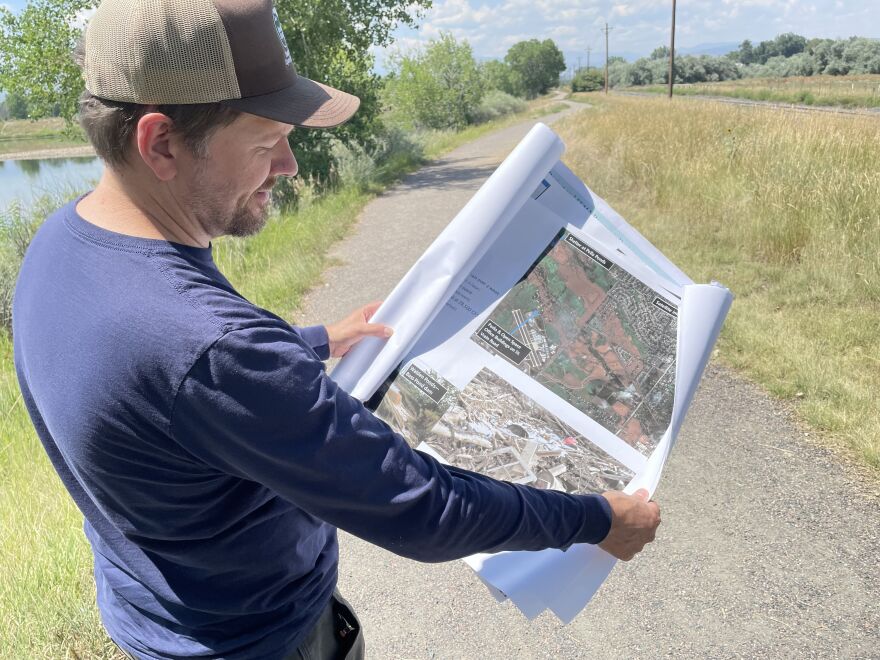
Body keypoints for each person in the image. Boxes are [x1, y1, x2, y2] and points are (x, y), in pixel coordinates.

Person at [12, 1, 661, 658]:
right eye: (267, 142)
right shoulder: (212, 347)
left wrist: (317, 341)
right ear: (160, 143)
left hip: (156, 617)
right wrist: (598, 518)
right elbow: (422, 509)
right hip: (260, 640)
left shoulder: (62, 244)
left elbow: (161, 379)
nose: (289, 165)